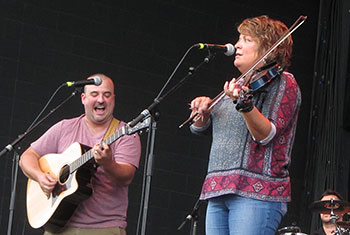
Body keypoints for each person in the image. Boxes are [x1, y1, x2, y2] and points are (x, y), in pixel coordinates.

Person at [189, 15, 301, 235]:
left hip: (256, 194)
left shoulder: (283, 82)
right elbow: (200, 128)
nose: (237, 45)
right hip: (217, 189)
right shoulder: (237, 85)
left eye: (247, 39)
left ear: (269, 46)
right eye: (239, 39)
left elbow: (266, 134)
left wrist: (244, 104)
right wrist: (201, 112)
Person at [19, 74, 141, 235]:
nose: (100, 100)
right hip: (58, 226)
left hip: (104, 228)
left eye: (106, 94)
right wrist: (40, 176)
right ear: (83, 98)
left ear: (113, 98)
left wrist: (108, 163)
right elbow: (26, 157)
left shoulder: (126, 133)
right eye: (94, 94)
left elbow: (126, 176)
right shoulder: (64, 127)